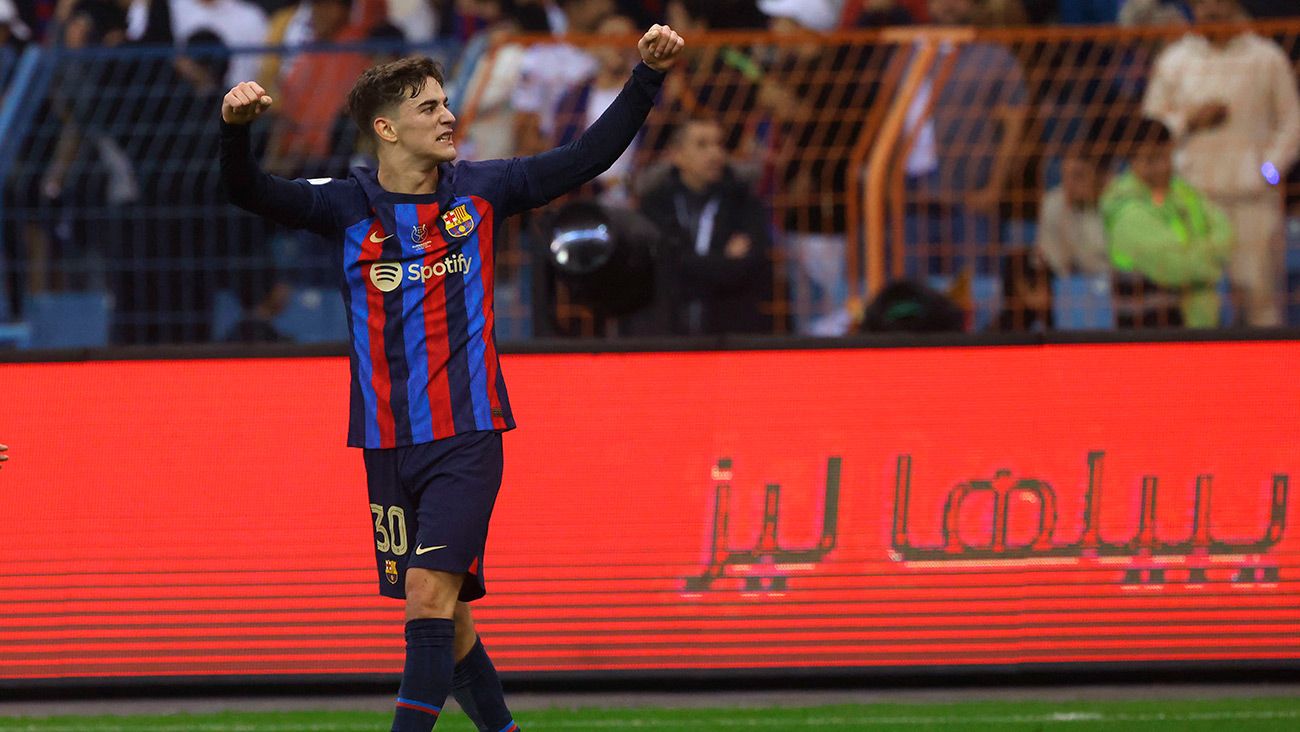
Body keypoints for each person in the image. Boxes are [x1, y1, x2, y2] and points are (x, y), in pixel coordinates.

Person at [218, 23, 684, 732]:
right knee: (453, 623)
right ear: (387, 127)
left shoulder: (484, 189)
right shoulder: (345, 206)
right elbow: (247, 190)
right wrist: (234, 130)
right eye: (429, 107)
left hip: (466, 437)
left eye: (445, 103)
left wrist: (645, 77)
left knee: (428, 597)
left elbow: (584, 158)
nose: (448, 116)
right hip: (385, 446)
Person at [1142, 0, 1300, 326]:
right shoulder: (1175, 60)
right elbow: (1152, 122)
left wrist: (1267, 172)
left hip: (1252, 200)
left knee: (1261, 301)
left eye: (1218, 5)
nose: (1211, 12)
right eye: (1203, 6)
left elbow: (1292, 123)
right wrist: (1188, 120)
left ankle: (1267, 375)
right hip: (1193, 196)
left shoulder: (1266, 57)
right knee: (1200, 302)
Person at [639, 117, 774, 335]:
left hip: (731, 334)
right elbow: (661, 268)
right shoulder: (655, 204)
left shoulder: (743, 201)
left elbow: (748, 266)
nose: (715, 153)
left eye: (719, 144)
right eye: (702, 145)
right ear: (677, 155)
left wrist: (687, 265)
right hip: (667, 335)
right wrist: (723, 260)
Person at [1100, 118, 1233, 328]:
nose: (1164, 167)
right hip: (1151, 334)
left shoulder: (1183, 191)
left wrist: (1193, 255)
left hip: (1202, 325)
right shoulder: (1125, 209)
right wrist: (1213, 263)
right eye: (1153, 159)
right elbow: (1174, 268)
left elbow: (1226, 232)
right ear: (1133, 161)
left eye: (1167, 157)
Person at [1037, 148, 1109, 278]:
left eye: (1078, 176)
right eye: (1065, 176)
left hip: (1114, 283)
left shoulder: (1115, 204)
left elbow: (1124, 260)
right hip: (1069, 284)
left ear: (1099, 177)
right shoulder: (1053, 202)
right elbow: (1050, 257)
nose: (1068, 185)